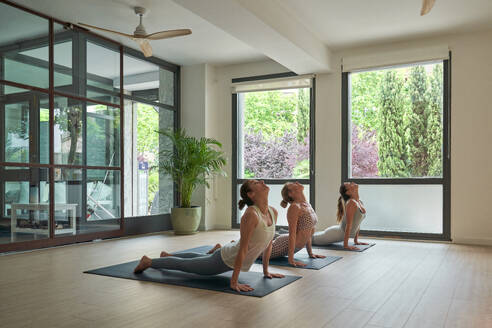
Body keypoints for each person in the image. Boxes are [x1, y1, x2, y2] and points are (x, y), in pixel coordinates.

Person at [133, 179, 285, 292]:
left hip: (228, 251)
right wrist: (234, 282)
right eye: (257, 182)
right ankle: (149, 262)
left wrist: (266, 271)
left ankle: (167, 256)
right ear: (251, 194)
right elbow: (243, 249)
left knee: (199, 259)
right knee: (184, 266)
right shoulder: (251, 215)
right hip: (223, 260)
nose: (262, 181)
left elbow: (268, 243)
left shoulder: (273, 211)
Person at [208, 182, 325, 267]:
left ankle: (232, 244)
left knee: (252, 247)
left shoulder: (306, 205)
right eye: (293, 184)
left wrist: (311, 253)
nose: (296, 182)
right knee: (253, 252)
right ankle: (222, 247)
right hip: (283, 244)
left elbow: (309, 230)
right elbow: (293, 234)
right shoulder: (295, 207)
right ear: (291, 193)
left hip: (295, 245)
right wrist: (291, 260)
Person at [312, 182, 368, 250]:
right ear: (348, 192)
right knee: (309, 239)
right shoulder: (351, 203)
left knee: (310, 236)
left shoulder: (360, 202)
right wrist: (346, 245)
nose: (352, 183)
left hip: (337, 231)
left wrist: (356, 241)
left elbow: (358, 222)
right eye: (350, 184)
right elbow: (348, 225)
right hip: (335, 234)